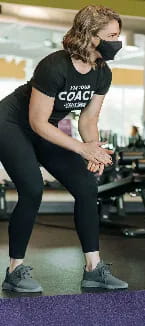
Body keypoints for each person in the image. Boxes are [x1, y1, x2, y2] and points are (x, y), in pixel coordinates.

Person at [0, 5, 128, 292]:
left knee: (86, 187)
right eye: (111, 35)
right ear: (90, 35)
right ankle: (14, 271)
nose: (117, 42)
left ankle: (94, 269)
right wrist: (82, 150)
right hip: (11, 124)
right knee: (32, 189)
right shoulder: (54, 66)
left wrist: (93, 148)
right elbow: (36, 121)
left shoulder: (102, 73)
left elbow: (88, 118)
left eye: (118, 35)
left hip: (46, 127)